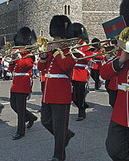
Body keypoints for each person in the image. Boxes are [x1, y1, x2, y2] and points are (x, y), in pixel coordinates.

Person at [100, 0, 129, 161]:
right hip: (121, 112)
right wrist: (120, 60)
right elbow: (104, 72)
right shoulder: (124, 47)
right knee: (114, 149)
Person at [38, 15, 76, 161]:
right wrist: (44, 55)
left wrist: (55, 52)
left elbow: (66, 66)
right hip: (48, 94)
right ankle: (65, 136)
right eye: (54, 37)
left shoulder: (72, 52)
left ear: (64, 38)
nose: (54, 40)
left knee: (59, 128)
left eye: (57, 38)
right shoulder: (52, 52)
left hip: (61, 95)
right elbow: (40, 68)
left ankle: (58, 156)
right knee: (45, 121)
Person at [9, 27, 38, 140]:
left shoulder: (30, 56)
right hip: (15, 84)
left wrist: (17, 57)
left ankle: (21, 131)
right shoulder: (18, 55)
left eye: (20, 45)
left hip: (23, 84)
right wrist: (12, 61)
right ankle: (30, 117)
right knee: (13, 105)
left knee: (21, 110)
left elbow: (24, 65)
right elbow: (12, 69)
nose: (18, 47)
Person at [71, 23, 92, 121]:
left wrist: (80, 53)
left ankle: (81, 112)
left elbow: (88, 59)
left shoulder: (87, 47)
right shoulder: (75, 45)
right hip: (73, 73)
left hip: (81, 73)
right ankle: (83, 105)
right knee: (73, 96)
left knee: (80, 95)